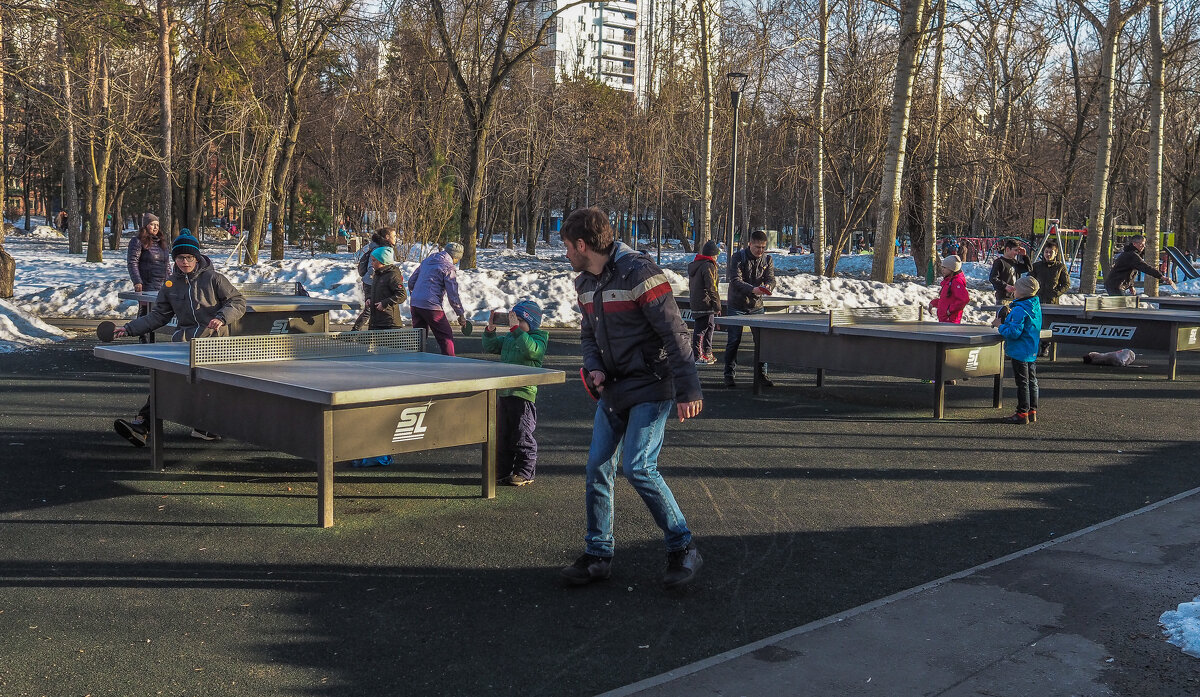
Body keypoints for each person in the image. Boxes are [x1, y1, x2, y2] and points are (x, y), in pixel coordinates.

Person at [557, 207, 704, 590]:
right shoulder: (585, 284)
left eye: (568, 247)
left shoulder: (640, 272)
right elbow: (589, 335)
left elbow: (675, 333)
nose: (566, 255)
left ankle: (682, 546)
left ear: (583, 245)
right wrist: (595, 368)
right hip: (615, 389)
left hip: (653, 385)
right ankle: (598, 554)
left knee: (638, 466)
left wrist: (689, 389)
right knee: (597, 469)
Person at [111, 233, 247, 446]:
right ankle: (142, 425)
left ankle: (204, 427)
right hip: (183, 344)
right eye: (180, 257)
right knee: (166, 381)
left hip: (213, 345)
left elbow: (238, 302)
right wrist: (128, 329)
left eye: (189, 258)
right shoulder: (170, 284)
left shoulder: (214, 279)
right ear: (174, 259)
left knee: (208, 388)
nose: (185, 262)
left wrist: (221, 317)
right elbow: (158, 315)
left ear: (197, 258)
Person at [481, 300, 549, 487]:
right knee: (502, 435)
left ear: (531, 322)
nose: (515, 324)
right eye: (513, 320)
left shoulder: (539, 338)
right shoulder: (511, 338)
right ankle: (502, 471)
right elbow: (491, 346)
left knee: (522, 434)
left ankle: (525, 472)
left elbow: (532, 351)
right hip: (505, 392)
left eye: (519, 320)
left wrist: (516, 330)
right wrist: (490, 329)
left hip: (523, 394)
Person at [723, 229, 776, 388]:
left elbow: (771, 279)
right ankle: (729, 374)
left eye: (763, 247)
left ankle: (761, 374)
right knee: (734, 340)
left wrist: (768, 286)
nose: (760, 251)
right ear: (749, 244)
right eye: (757, 247)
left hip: (756, 306)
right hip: (737, 304)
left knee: (761, 341)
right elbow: (735, 280)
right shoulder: (738, 257)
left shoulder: (767, 259)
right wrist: (753, 289)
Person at [991, 275, 1041, 425]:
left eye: (1016, 288)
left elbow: (1014, 332)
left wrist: (1000, 325)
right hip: (1031, 349)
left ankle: (1022, 412)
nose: (1013, 290)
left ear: (1023, 291)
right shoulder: (1034, 306)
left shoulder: (1019, 309)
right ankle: (1032, 410)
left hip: (1019, 351)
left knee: (1022, 383)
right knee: (1032, 381)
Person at [408, 241, 468, 356]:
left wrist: (416, 295)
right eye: (458, 259)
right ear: (456, 257)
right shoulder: (448, 267)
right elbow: (453, 294)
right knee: (445, 335)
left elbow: (411, 281)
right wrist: (460, 314)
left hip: (415, 303)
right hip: (431, 304)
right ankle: (449, 361)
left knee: (419, 335)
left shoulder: (427, 261)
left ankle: (416, 360)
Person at [126, 214, 170, 344]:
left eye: (157, 225)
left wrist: (171, 281)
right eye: (152, 224)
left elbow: (167, 264)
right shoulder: (138, 241)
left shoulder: (162, 243)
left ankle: (152, 336)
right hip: (147, 282)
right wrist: (137, 281)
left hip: (162, 283)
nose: (155, 227)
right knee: (145, 310)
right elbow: (132, 262)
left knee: (158, 311)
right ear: (146, 225)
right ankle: (143, 336)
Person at [351, 227, 398, 331]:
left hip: (373, 281)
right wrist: (379, 278)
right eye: (394, 236)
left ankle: (361, 332)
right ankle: (355, 332)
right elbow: (372, 267)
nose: (396, 238)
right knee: (371, 308)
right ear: (387, 237)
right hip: (372, 282)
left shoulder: (380, 247)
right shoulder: (380, 249)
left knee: (374, 308)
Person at [1104, 234, 1175, 296]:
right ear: (1134, 244)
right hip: (1115, 285)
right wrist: (1161, 276)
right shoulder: (1132, 255)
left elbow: (1129, 272)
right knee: (1120, 306)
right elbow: (1146, 268)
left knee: (1121, 305)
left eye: (1144, 244)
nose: (1144, 246)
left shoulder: (1130, 254)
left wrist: (1131, 286)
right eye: (1142, 244)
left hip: (1116, 284)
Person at [688, 239, 721, 365]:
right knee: (702, 329)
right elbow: (711, 286)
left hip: (697, 301)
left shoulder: (697, 264)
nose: (717, 257)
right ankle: (698, 355)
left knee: (709, 326)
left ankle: (707, 351)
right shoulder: (708, 265)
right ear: (712, 254)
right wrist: (717, 304)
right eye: (716, 255)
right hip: (706, 302)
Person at [366, 245, 407, 330]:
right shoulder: (378, 274)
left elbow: (402, 295)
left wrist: (385, 303)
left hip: (389, 322)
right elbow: (377, 291)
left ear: (382, 261)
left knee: (387, 343)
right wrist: (369, 298)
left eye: (374, 261)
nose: (371, 263)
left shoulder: (392, 275)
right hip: (376, 321)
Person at [989, 239, 1032, 305]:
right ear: (1008, 249)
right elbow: (993, 278)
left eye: (1018, 251)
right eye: (1015, 250)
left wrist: (1024, 256)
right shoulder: (999, 262)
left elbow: (1028, 268)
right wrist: (1005, 286)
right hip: (1003, 298)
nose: (1017, 253)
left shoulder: (1015, 262)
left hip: (1015, 297)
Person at [928, 255, 968, 324]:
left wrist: (950, 310)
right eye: (942, 267)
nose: (942, 269)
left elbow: (964, 299)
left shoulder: (956, 282)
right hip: (944, 319)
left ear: (952, 269)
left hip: (951, 320)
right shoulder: (948, 281)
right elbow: (946, 300)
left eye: (945, 268)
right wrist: (934, 303)